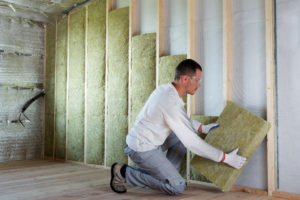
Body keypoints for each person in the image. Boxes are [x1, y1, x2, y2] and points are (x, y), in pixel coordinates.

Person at [110, 59, 246, 195]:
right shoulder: (170, 101)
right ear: (185, 79)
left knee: (185, 133)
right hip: (141, 149)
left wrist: (201, 128)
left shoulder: (166, 90)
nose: (198, 85)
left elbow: (180, 120)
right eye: (197, 80)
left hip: (148, 141)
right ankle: (122, 172)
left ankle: (169, 176)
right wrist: (225, 158)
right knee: (177, 187)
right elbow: (192, 142)